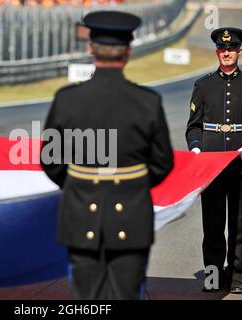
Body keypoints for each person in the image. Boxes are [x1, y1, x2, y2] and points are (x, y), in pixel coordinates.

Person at [40, 11, 174, 300]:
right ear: (127, 51)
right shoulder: (148, 102)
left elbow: (50, 160)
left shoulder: (67, 99)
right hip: (131, 218)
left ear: (91, 48)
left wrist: (79, 183)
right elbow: (163, 162)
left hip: (80, 216)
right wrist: (132, 187)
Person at [186, 27, 242, 294]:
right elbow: (193, 127)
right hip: (211, 167)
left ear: (239, 51)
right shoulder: (203, 85)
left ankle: (235, 278)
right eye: (222, 49)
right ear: (216, 51)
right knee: (212, 225)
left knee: (240, 226)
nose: (227, 52)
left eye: (231, 49)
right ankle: (212, 276)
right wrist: (196, 148)